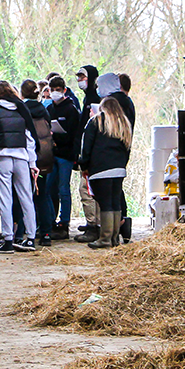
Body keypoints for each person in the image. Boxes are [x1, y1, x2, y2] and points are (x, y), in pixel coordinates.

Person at [0, 80, 38, 253]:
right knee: (26, 197)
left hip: (1, 157)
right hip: (21, 156)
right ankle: (30, 238)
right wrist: (32, 162)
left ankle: (7, 239)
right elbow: (30, 138)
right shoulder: (22, 110)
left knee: (5, 198)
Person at [77, 97, 132, 249]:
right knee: (115, 203)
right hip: (119, 169)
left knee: (105, 203)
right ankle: (114, 238)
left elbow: (86, 146)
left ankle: (105, 238)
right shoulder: (124, 123)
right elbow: (128, 148)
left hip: (100, 169)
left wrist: (84, 165)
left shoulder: (97, 121)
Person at [100, 72, 136, 242]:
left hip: (111, 152)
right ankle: (119, 228)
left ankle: (114, 229)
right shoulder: (128, 103)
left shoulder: (115, 103)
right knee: (117, 189)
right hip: (123, 149)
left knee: (112, 195)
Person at [21, 79, 55, 247]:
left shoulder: (21, 110)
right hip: (43, 157)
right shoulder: (44, 109)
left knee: (23, 195)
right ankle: (46, 233)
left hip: (25, 157)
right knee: (42, 195)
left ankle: (24, 232)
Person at [46, 75, 80, 240]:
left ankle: (64, 222)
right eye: (52, 90)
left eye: (57, 90)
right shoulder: (50, 109)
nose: (54, 93)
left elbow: (74, 134)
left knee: (63, 189)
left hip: (65, 155)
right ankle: (50, 219)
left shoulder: (71, 109)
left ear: (64, 91)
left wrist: (73, 154)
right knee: (48, 187)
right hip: (52, 154)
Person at [74, 64, 101, 243]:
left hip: (93, 155)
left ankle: (94, 226)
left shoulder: (95, 99)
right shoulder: (86, 99)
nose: (79, 81)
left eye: (83, 77)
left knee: (87, 191)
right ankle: (94, 224)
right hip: (88, 152)